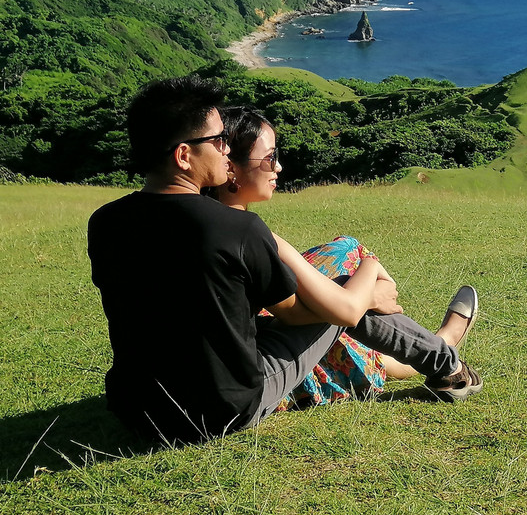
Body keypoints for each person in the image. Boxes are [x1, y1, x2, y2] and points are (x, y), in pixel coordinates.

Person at [88, 76, 482, 444]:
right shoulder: (236, 229)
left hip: (136, 410)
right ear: (184, 155)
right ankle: (447, 366)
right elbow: (315, 314)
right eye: (219, 140)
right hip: (222, 410)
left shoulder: (105, 222)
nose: (226, 149)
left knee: (335, 294)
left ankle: (434, 356)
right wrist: (366, 288)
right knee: (341, 296)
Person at [209, 104, 476, 402]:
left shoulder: (199, 217)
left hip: (237, 346)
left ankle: (428, 353)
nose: (279, 167)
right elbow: (331, 311)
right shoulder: (247, 234)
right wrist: (370, 279)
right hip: (248, 373)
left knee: (345, 250)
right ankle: (438, 353)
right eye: (270, 158)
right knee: (341, 298)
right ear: (229, 167)